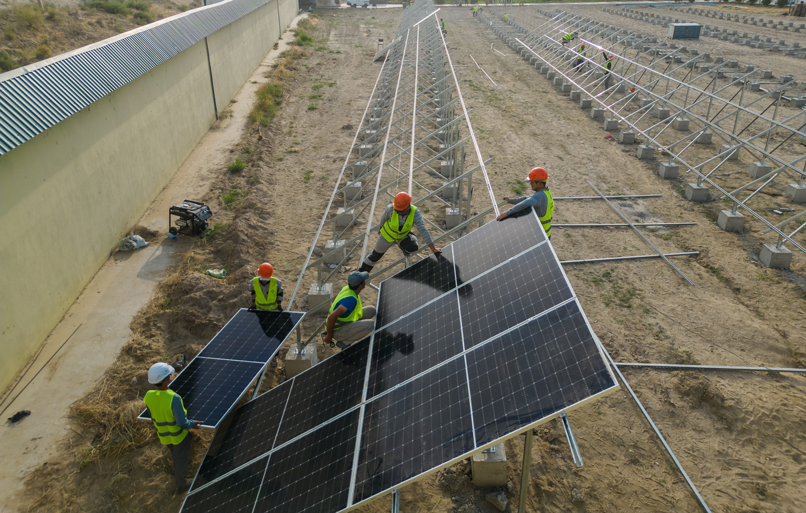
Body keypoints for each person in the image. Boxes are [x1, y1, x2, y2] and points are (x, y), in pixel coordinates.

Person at [143, 363, 202, 493]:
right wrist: (193, 424)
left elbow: (152, 415)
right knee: (181, 458)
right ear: (165, 379)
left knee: (175, 453)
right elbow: (182, 422)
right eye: (169, 375)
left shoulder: (148, 396)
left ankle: (177, 470)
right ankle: (181, 484)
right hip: (179, 436)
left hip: (164, 435)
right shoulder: (173, 398)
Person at [357, 192, 441, 273]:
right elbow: (383, 219)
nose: (399, 212)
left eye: (401, 210)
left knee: (413, 247)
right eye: (397, 211)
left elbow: (423, 230)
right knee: (375, 256)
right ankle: (361, 273)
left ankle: (404, 244)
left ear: (408, 206)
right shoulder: (390, 209)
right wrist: (380, 229)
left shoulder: (415, 213)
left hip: (402, 237)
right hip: (387, 236)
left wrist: (433, 249)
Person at [496, 167, 554, 239]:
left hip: (540, 236)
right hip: (546, 233)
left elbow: (525, 203)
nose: (530, 184)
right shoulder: (546, 193)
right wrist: (510, 200)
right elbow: (527, 198)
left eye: (532, 182)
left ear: (539, 183)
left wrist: (507, 213)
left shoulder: (540, 196)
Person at [324, 271, 377, 348]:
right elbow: (331, 317)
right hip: (337, 330)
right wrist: (329, 336)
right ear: (361, 285)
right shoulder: (350, 301)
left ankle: (353, 327)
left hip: (346, 321)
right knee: (370, 325)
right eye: (364, 280)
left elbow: (335, 298)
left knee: (372, 310)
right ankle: (344, 342)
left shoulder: (347, 288)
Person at [249, 262, 283, 366]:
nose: (265, 280)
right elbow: (253, 293)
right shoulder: (253, 282)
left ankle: (274, 357)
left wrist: (279, 304)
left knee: (274, 335)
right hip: (260, 313)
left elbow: (280, 293)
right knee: (262, 335)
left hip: (273, 313)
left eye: (266, 278)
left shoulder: (276, 282)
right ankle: (262, 354)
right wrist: (253, 304)